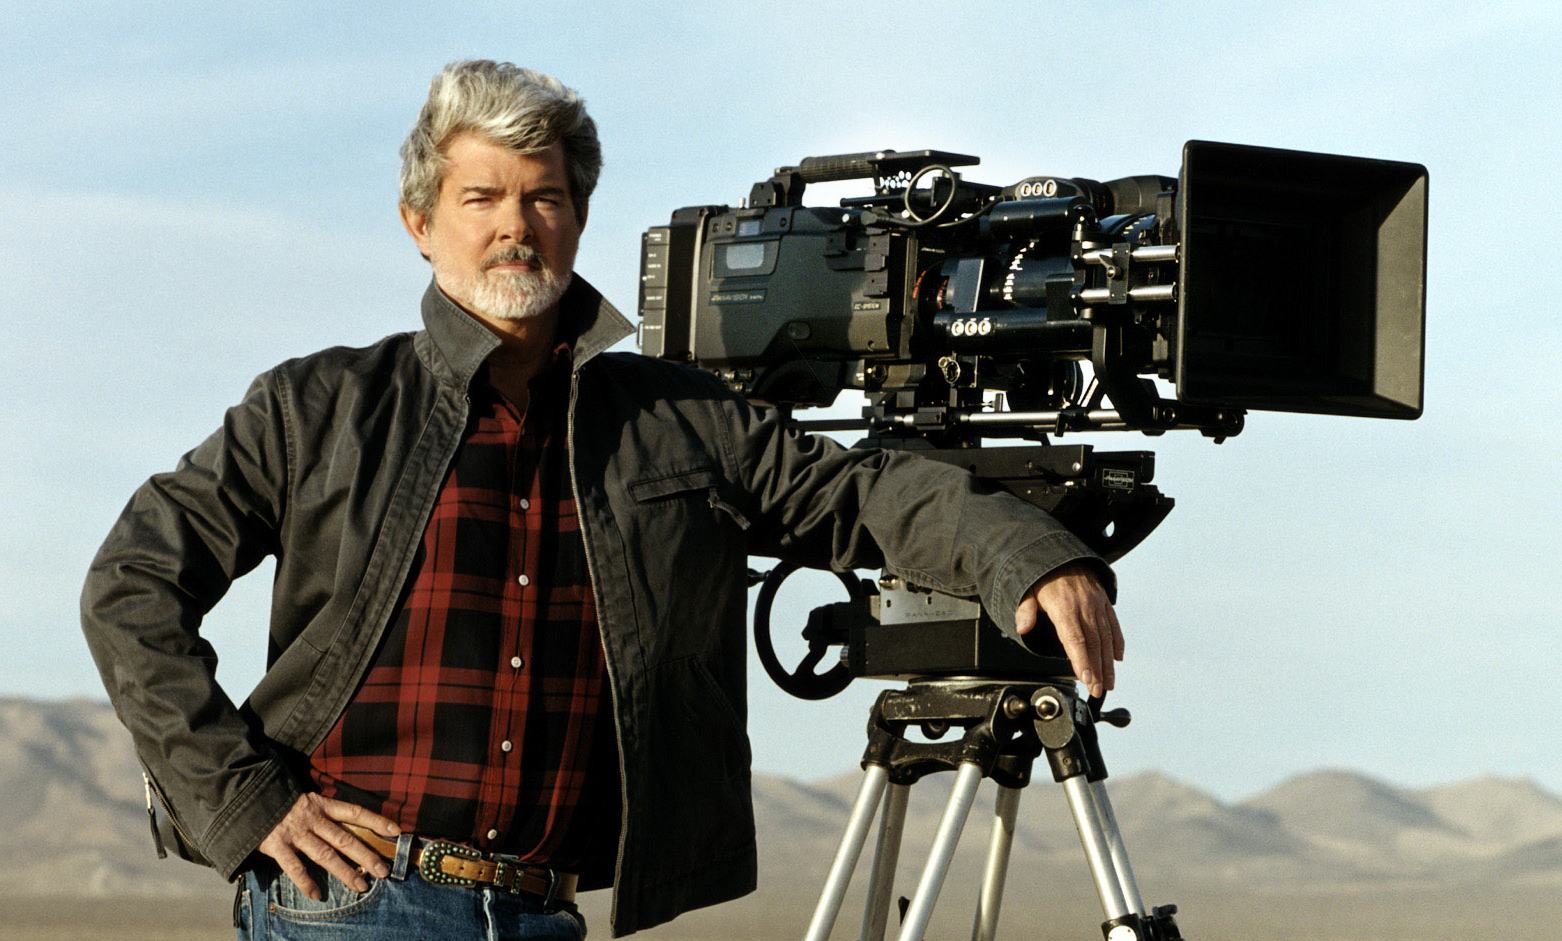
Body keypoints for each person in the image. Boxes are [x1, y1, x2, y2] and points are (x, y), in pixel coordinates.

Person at [81, 60, 1124, 939]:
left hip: (544, 908)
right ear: (419, 223)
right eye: (478, 199)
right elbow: (131, 583)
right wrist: (243, 797)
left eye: (541, 196)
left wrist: (1025, 552)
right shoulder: (321, 405)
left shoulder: (677, 416)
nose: (513, 228)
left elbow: (856, 491)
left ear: (577, 215)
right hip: (353, 902)